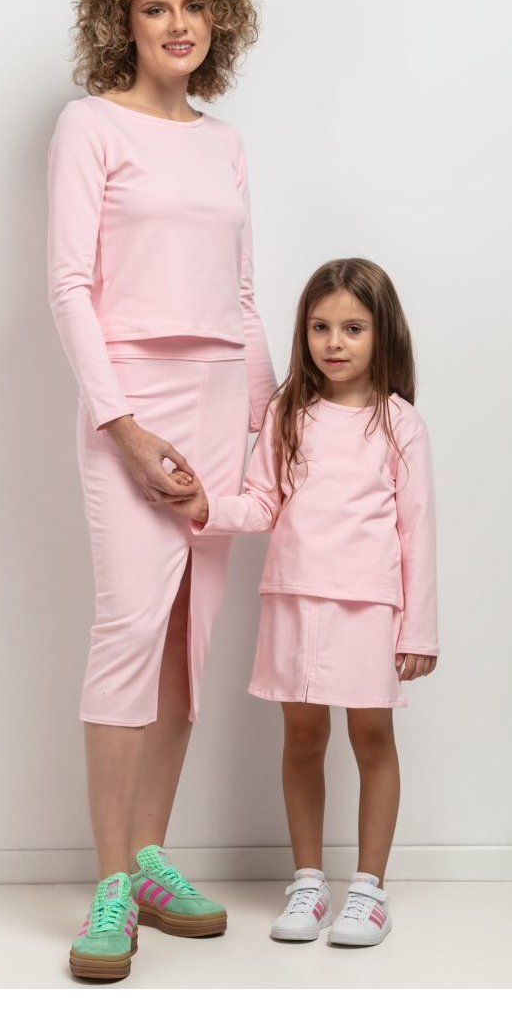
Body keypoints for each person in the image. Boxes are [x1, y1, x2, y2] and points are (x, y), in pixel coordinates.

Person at [47, 0, 277, 980]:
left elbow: (242, 298)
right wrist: (125, 428)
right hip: (133, 404)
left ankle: (148, 859)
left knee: (188, 647)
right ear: (124, 22)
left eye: (192, 4)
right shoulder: (89, 126)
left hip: (221, 399)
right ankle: (107, 884)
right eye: (155, 7)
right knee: (128, 632)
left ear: (216, 17)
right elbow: (69, 287)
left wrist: (269, 429)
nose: (177, 23)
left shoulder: (224, 143)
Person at [165, 258, 438, 948]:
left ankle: (369, 891)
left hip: (367, 606)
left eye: (352, 328)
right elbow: (263, 502)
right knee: (303, 739)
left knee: (372, 738)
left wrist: (419, 629)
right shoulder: (289, 413)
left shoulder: (399, 424)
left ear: (382, 333)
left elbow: (417, 532)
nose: (334, 342)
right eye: (320, 327)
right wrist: (206, 506)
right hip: (293, 600)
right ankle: (309, 882)